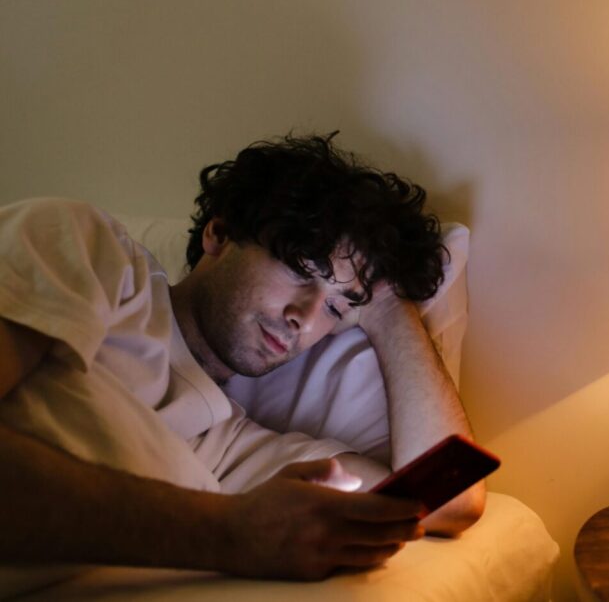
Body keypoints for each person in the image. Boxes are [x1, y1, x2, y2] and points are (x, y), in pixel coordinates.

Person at [0, 133, 483, 595]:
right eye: (300, 269)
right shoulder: (88, 251)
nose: (304, 318)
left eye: (337, 308)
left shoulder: (233, 449)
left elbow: (450, 499)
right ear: (220, 233)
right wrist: (230, 533)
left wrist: (388, 309)